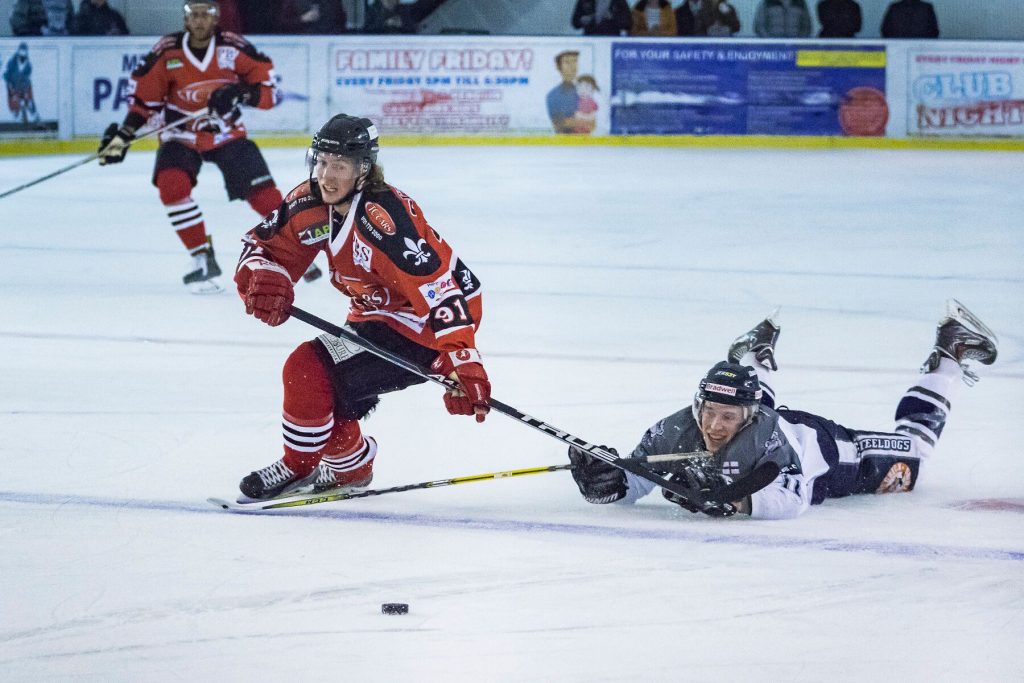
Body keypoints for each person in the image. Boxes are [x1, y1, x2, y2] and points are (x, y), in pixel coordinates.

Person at [233, 114, 491, 501]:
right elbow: (263, 249)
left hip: (425, 322)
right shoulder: (310, 204)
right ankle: (351, 467)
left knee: (307, 369)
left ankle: (299, 467)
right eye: (320, 162)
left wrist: (461, 360)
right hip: (375, 314)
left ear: (363, 170)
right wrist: (263, 277)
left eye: (339, 166)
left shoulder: (381, 219)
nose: (326, 175)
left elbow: (438, 289)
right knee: (326, 394)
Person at [568, 300, 998, 520]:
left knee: (915, 454)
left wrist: (734, 503)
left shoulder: (772, 438)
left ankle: (950, 353)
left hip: (832, 453)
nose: (715, 426)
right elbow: (643, 477)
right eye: (709, 411)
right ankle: (757, 351)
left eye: (728, 417)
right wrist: (611, 481)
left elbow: (796, 498)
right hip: (761, 420)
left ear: (750, 417)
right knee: (741, 400)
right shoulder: (673, 428)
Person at [96, 1, 320, 293]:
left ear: (215, 19)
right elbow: (143, 102)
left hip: (225, 133)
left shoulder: (233, 48)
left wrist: (240, 92)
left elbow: (268, 93)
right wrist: (123, 135)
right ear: (186, 19)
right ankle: (201, 256)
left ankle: (295, 250)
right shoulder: (167, 52)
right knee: (171, 187)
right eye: (194, 15)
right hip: (181, 135)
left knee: (264, 196)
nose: (200, 21)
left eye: (206, 15)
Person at [4, 42, 41, 127]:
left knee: (29, 101)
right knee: (15, 101)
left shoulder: (28, 65)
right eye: (21, 54)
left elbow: (27, 79)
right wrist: (11, 89)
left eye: (24, 55)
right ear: (18, 53)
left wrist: (25, 91)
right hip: (13, 85)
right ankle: (18, 115)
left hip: (24, 85)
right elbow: (8, 76)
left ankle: (35, 116)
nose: (22, 57)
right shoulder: (12, 62)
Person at [546, 50, 580, 135]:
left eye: (575, 61)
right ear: (559, 66)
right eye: (567, 62)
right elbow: (558, 125)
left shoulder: (584, 93)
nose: (572, 66)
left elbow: (591, 123)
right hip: (564, 142)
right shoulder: (552, 95)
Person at [675, 0, 740, 37]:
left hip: (726, 46)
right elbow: (697, 29)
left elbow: (736, 27)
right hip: (707, 46)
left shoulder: (728, 7)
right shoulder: (702, 8)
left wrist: (727, 14)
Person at [276, 0, 347, 34]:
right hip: (303, 45)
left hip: (329, 41)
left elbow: (341, 20)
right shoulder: (292, 1)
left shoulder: (333, 2)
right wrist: (302, 19)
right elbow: (282, 23)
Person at [9, 0, 74, 36]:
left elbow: (71, 19)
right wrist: (39, 31)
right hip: (36, 44)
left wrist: (68, 31)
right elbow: (17, 23)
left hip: (64, 42)